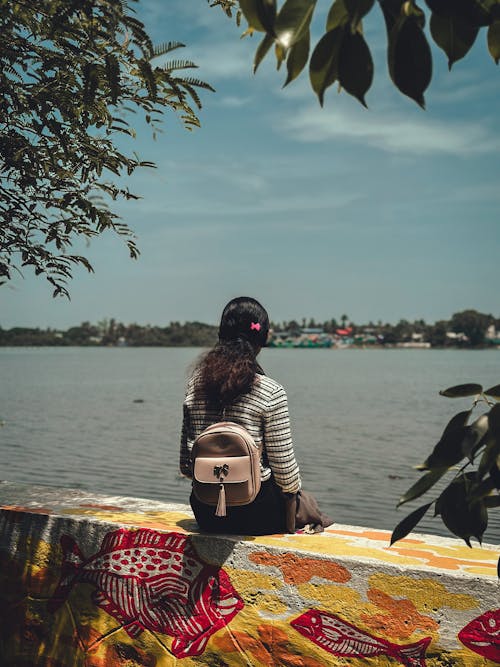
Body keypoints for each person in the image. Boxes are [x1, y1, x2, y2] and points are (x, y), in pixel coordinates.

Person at [179, 296, 302, 535]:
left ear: (221, 334)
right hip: (259, 514)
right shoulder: (271, 391)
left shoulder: (196, 385)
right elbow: (286, 475)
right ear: (264, 337)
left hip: (206, 512)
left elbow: (186, 466)